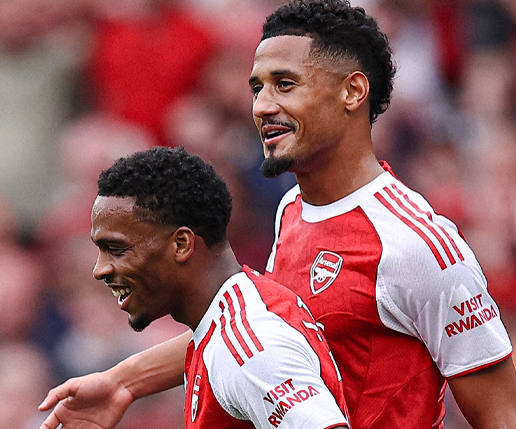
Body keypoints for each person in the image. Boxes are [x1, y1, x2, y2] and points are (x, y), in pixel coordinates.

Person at [39, 0, 516, 428]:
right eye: (258, 88)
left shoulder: (416, 245)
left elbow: (504, 417)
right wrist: (124, 381)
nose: (261, 106)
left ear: (352, 92)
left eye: (285, 84)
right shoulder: (291, 209)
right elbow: (253, 336)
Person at [44, 145, 350, 429]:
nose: (99, 270)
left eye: (117, 249)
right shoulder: (225, 326)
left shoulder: (250, 348)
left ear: (181, 244)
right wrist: (123, 382)